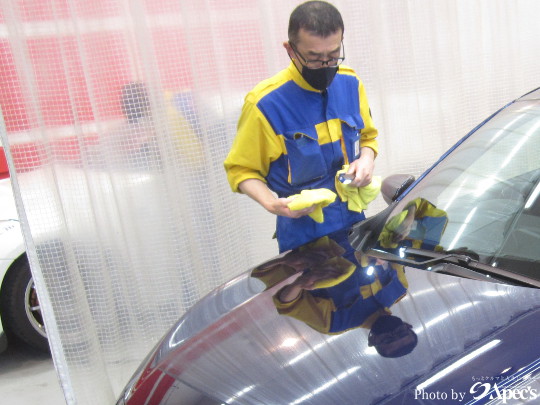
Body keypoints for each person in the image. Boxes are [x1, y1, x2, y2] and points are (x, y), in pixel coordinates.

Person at [224, 1, 379, 253]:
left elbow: (368, 138)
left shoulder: (350, 83)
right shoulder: (265, 104)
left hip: (353, 223)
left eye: (333, 55)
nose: (326, 65)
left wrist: (366, 160)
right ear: (290, 50)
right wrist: (272, 204)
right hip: (302, 236)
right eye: (315, 58)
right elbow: (241, 170)